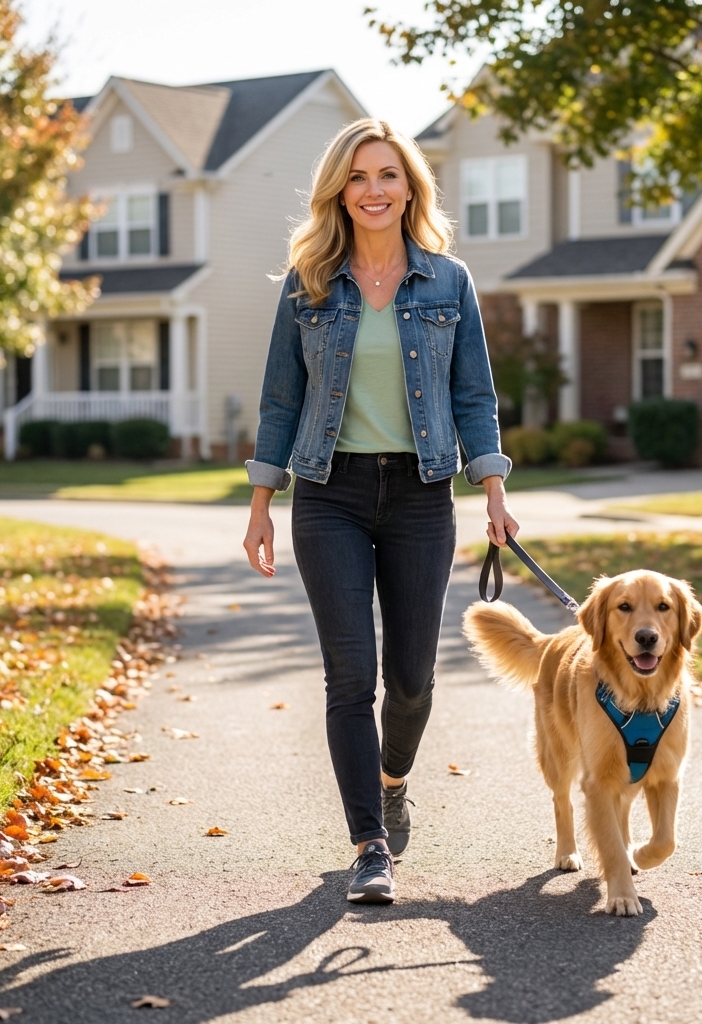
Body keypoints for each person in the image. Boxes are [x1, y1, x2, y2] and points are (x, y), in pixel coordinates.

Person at [242, 118, 518, 904]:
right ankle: (370, 844)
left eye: (388, 176)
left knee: (412, 677)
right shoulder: (309, 283)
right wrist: (263, 504)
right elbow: (279, 399)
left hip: (423, 497)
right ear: (340, 189)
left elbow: (473, 395)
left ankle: (393, 780)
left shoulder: (448, 281)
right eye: (358, 177)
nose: (373, 190)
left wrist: (493, 490)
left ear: (410, 188)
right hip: (329, 495)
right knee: (349, 676)